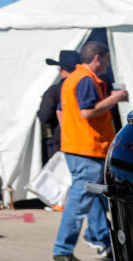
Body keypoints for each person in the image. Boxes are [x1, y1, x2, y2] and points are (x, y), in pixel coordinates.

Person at [52, 41, 128, 261]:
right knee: (80, 202)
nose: (106, 64)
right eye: (105, 59)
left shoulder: (75, 79)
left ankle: (99, 239)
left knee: (93, 199)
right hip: (86, 149)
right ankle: (63, 251)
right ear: (97, 58)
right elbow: (86, 113)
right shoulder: (85, 79)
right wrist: (114, 98)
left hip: (82, 149)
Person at [39, 50, 79, 165]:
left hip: (60, 141)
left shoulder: (54, 91)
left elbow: (45, 117)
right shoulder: (85, 86)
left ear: (61, 69)